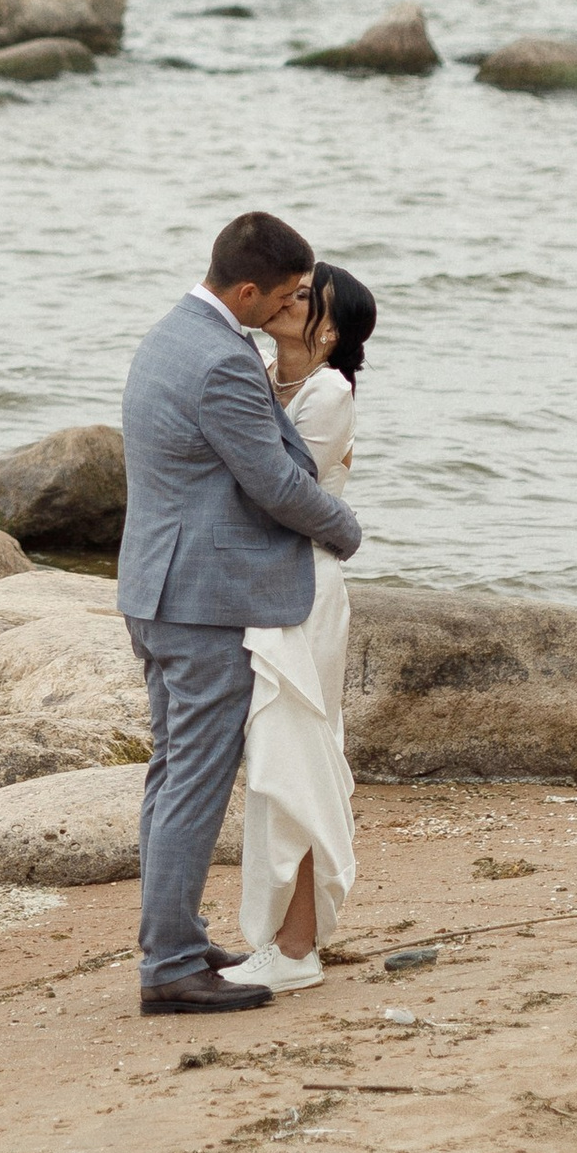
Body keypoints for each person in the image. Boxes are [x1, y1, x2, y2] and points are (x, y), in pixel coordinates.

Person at [117, 208, 362, 1016]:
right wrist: (345, 530)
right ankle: (169, 967)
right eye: (286, 294)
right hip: (202, 602)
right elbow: (276, 483)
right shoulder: (224, 361)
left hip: (157, 587)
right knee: (193, 781)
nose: (292, 306)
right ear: (248, 290)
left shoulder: (171, 334)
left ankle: (178, 941)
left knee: (171, 773)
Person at [216, 262, 377, 997]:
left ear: (332, 331)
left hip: (305, 588)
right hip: (268, 586)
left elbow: (278, 493)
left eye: (308, 297)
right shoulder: (259, 373)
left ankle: (297, 946)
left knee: (298, 758)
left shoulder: (329, 392)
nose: (289, 298)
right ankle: (278, 938)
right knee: (274, 763)